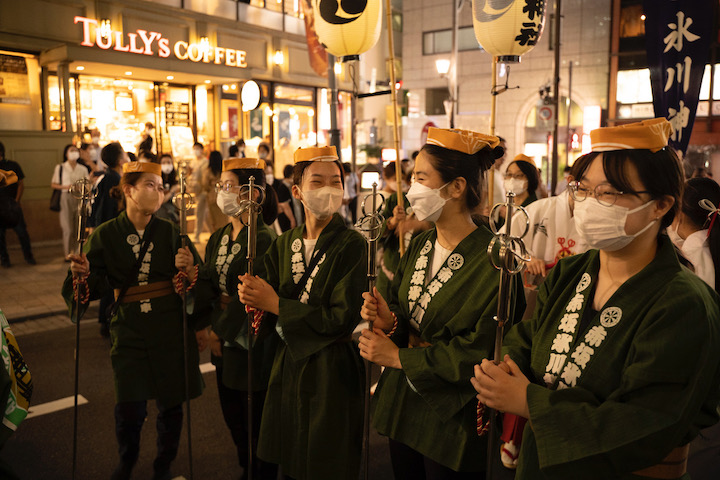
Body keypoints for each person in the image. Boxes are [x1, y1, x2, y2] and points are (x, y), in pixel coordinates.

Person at [472, 118, 720, 479]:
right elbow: (523, 342)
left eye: (608, 193)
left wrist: (529, 401)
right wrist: (502, 371)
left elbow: (644, 424)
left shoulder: (684, 304)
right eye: (583, 189)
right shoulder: (569, 273)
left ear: (660, 205)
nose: (588, 204)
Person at [359, 127, 522, 479]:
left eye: (420, 177)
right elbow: (406, 313)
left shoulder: (496, 259)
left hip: (451, 415)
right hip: (405, 403)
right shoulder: (422, 243)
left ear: (456, 187)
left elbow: (485, 349)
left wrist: (398, 357)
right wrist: (391, 322)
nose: (410, 188)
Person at [63, 161, 207, 480]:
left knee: (171, 405)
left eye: (159, 186)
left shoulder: (171, 230)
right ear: (129, 190)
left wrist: (188, 270)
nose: (158, 192)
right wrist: (83, 276)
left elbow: (196, 282)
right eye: (150, 185)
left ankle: (164, 464)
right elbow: (90, 285)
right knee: (129, 406)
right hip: (128, 328)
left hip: (169, 328)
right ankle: (127, 459)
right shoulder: (106, 234)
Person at [238, 146, 366, 480]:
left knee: (327, 459)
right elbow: (264, 306)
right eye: (317, 181)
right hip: (289, 362)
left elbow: (340, 319)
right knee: (292, 454)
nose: (328, 189)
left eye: (336, 181)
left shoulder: (352, 245)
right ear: (297, 191)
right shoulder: (284, 243)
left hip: (332, 368)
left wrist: (276, 305)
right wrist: (252, 297)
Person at [197, 157, 279, 480]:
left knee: (254, 416)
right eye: (221, 186)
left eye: (228, 186)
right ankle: (247, 465)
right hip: (222, 340)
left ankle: (261, 471)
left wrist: (219, 330)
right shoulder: (218, 237)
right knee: (231, 414)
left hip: (249, 339)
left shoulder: (264, 239)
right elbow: (208, 282)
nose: (222, 192)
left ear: (253, 194)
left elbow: (253, 292)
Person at [375, 161, 431, 301]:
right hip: (389, 271)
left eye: (423, 178)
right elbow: (377, 231)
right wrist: (393, 221)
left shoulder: (435, 204)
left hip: (417, 277)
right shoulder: (397, 199)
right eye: (415, 177)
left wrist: (420, 224)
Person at [90, 142, 127, 337]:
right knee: (111, 278)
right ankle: (108, 318)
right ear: (121, 160)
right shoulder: (115, 180)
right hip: (111, 234)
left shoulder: (106, 178)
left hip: (104, 231)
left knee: (109, 277)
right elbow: (108, 210)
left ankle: (106, 318)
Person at [51, 144, 90, 259]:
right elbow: (54, 184)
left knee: (78, 226)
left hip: (79, 197)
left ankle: (78, 252)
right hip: (65, 197)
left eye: (75, 150)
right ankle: (68, 254)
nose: (74, 152)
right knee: (67, 227)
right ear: (66, 154)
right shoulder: (61, 167)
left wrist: (81, 188)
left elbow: (87, 184)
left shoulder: (82, 168)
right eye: (71, 150)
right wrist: (66, 187)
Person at [0, 141, 35, 267]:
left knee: (22, 232)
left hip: (12, 205)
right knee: (0, 236)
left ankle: (29, 256)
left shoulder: (12, 165)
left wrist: (16, 200)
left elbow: (20, 183)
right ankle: (4, 260)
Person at [496, 154, 540, 229]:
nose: (512, 179)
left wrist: (513, 218)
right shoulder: (505, 207)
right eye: (509, 174)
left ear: (530, 178)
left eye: (519, 175)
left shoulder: (536, 207)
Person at [265, 162, 295, 233]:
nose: (269, 176)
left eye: (270, 173)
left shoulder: (278, 185)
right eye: (266, 173)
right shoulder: (259, 187)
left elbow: (285, 206)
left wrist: (292, 220)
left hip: (278, 220)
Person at [201, 151, 226, 233]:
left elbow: (204, 184)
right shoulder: (224, 171)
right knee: (224, 219)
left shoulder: (208, 171)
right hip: (223, 196)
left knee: (213, 221)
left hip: (212, 197)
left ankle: (215, 237)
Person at [190, 142, 209, 242]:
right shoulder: (192, 162)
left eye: (197, 148)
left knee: (199, 212)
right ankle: (212, 233)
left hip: (203, 190)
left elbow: (205, 177)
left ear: (202, 150)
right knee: (204, 214)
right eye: (194, 148)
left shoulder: (205, 162)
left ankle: (197, 235)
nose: (196, 151)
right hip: (195, 190)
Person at [156, 154, 179, 224]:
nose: (166, 165)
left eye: (169, 162)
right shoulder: (156, 181)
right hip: (160, 214)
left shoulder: (174, 181)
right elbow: (161, 201)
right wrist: (171, 191)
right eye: (163, 163)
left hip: (171, 213)